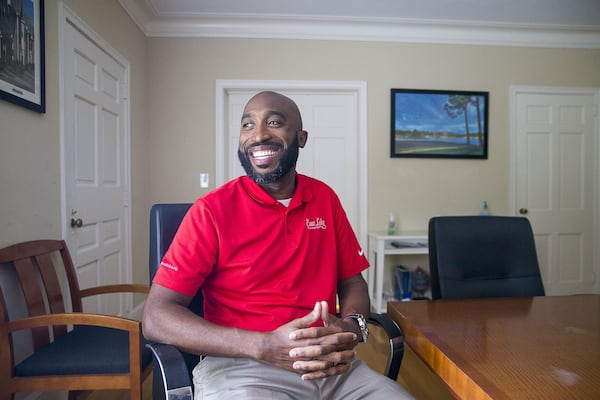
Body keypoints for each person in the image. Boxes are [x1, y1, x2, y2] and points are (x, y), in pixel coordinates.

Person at [142, 91, 414, 399]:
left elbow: (352, 281)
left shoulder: (324, 198)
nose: (258, 135)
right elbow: (156, 317)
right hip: (241, 368)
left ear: (301, 137)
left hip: (331, 367)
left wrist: (353, 326)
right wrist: (264, 346)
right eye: (247, 125)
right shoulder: (211, 211)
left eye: (274, 122)